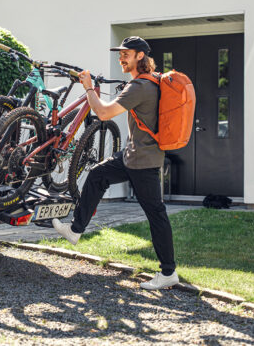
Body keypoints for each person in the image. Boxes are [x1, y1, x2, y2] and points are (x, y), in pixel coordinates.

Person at [52, 36, 178, 290]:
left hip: (142, 161)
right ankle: (75, 230)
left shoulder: (141, 86)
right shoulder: (149, 81)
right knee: (98, 174)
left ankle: (168, 273)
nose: (121, 57)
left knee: (156, 214)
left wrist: (88, 87)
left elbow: (103, 113)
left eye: (126, 54)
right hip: (135, 155)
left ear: (140, 56)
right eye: (120, 53)